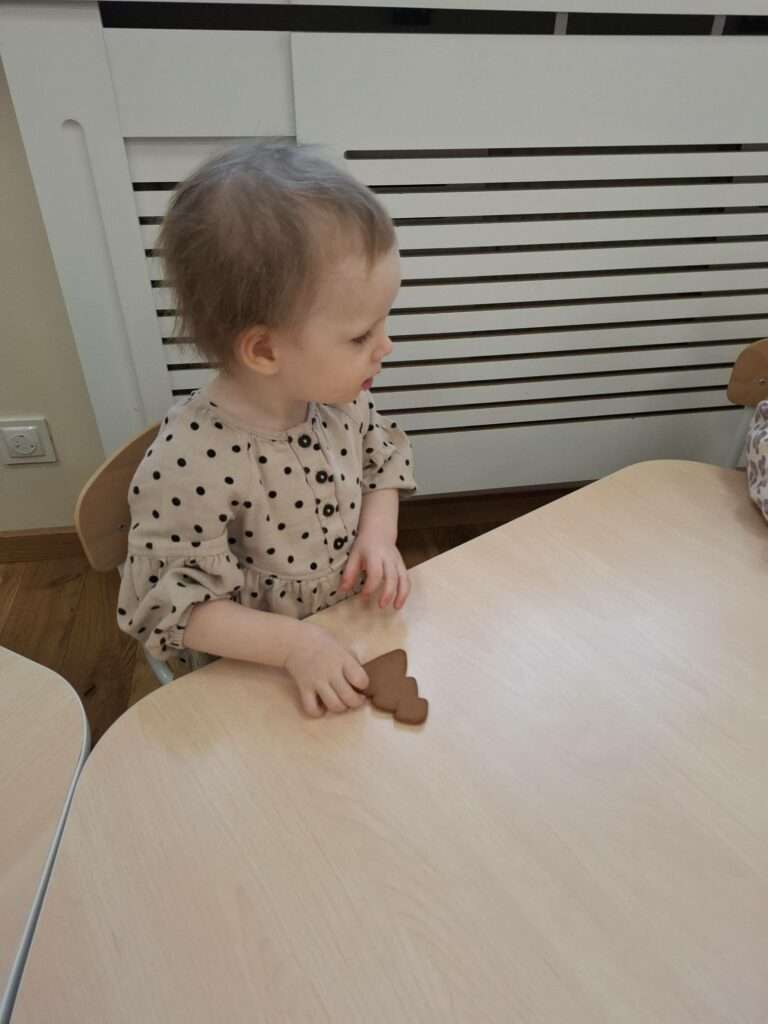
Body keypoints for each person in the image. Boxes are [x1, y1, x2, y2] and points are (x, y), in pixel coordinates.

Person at [117, 142, 416, 717]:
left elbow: (382, 462)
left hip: (347, 623)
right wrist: (295, 646)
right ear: (263, 350)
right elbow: (174, 608)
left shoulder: (340, 401)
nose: (386, 346)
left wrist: (378, 535)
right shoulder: (190, 461)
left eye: (385, 321)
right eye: (360, 336)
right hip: (256, 667)